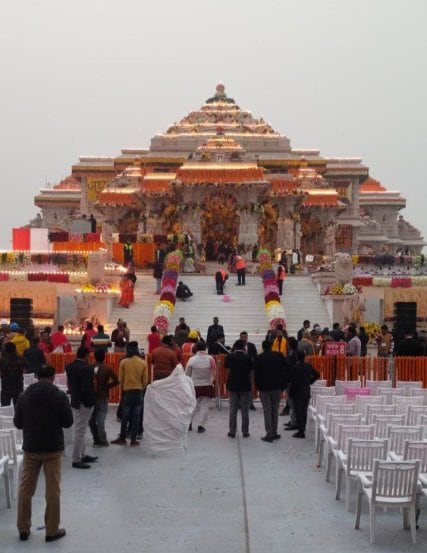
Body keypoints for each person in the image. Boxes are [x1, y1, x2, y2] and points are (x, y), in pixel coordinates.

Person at [14, 364, 73, 542]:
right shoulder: (59, 396)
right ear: (53, 377)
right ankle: (52, 530)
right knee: (52, 490)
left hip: (31, 448)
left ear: (37, 377)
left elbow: (18, 423)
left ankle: (23, 528)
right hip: (53, 449)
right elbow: (68, 423)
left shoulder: (24, 396)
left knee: (26, 489)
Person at [65, 346, 98, 469]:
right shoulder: (86, 368)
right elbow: (87, 388)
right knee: (80, 430)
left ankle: (82, 454)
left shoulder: (69, 366)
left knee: (80, 428)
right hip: (84, 402)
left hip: (75, 400)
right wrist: (91, 401)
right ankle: (76, 458)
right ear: (86, 355)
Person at [111, 341, 148, 446]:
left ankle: (122, 437)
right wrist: (140, 387)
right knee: (136, 415)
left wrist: (125, 387)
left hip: (127, 391)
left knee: (125, 415)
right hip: (139, 391)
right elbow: (145, 380)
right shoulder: (143, 363)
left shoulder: (124, 362)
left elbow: (120, 379)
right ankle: (133, 439)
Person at [255, 340, 288, 442]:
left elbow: (257, 374)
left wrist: (258, 387)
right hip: (277, 387)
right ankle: (274, 432)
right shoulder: (279, 356)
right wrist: (283, 385)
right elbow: (285, 369)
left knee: (267, 410)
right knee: (275, 410)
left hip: (264, 388)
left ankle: (269, 433)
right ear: (271, 346)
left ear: (263, 347)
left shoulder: (259, 358)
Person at [89, 349, 119, 446]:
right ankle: (102, 440)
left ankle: (95, 438)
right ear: (104, 357)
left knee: (91, 419)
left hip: (91, 396)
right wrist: (108, 386)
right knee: (100, 419)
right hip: (103, 396)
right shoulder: (107, 369)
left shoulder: (89, 367)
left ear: (94, 356)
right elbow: (117, 380)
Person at [185, 341, 216, 433]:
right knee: (204, 406)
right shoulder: (211, 359)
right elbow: (214, 373)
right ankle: (201, 425)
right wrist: (211, 382)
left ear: (196, 348)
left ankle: (189, 423)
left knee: (193, 406)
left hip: (194, 386)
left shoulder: (192, 359)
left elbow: (187, 374)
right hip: (207, 385)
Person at [225, 339, 253, 438]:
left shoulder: (230, 357)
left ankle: (232, 431)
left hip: (233, 385)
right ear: (244, 347)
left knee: (233, 409)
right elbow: (250, 369)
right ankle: (245, 431)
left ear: (235, 347)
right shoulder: (248, 357)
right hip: (245, 386)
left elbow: (226, 366)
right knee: (245, 410)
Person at [288, 351, 319, 438]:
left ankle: (300, 431)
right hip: (306, 391)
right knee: (304, 411)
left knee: (298, 412)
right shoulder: (308, 366)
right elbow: (317, 374)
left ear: (297, 358)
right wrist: (310, 382)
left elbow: (293, 381)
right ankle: (302, 428)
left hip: (297, 392)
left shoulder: (295, 367)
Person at [0, 341, 27, 406]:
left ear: (5, 350)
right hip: (18, 385)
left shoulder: (2, 360)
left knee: (5, 408)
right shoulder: (21, 358)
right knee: (18, 407)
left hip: (6, 386)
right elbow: (27, 366)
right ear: (15, 349)